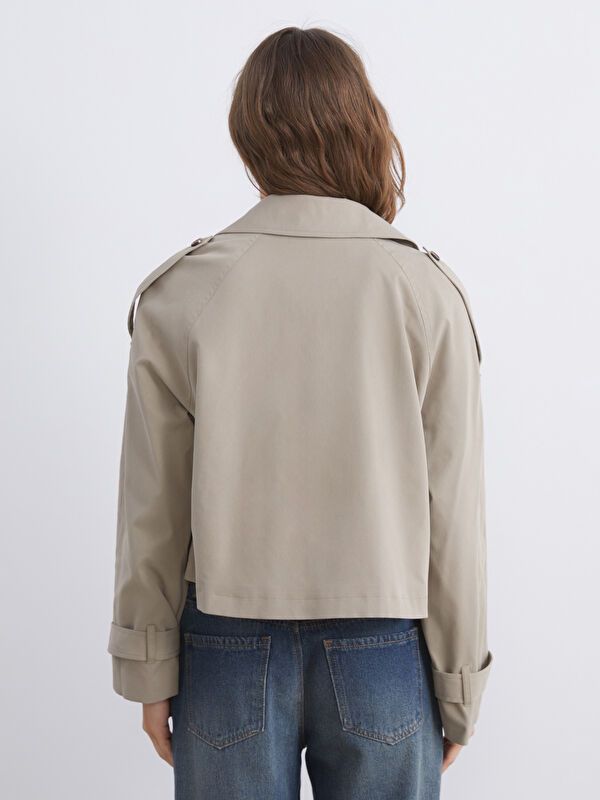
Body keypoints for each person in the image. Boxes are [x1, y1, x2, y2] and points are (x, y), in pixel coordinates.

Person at [107, 26, 493, 800]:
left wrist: (147, 665)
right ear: (362, 124)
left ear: (247, 134)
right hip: (385, 646)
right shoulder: (425, 292)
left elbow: (153, 508)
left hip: (224, 646)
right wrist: (459, 683)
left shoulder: (184, 291)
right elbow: (452, 514)